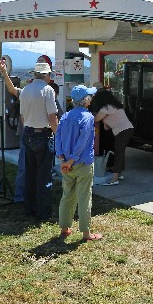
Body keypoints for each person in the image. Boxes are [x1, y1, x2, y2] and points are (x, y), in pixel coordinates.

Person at [55, 85, 102, 242]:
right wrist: (72, 159)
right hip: (82, 163)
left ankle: (64, 228)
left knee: (67, 195)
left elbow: (58, 138)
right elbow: (82, 142)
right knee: (84, 197)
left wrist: (62, 159)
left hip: (66, 164)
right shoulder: (88, 117)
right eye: (89, 96)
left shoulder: (65, 116)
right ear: (85, 100)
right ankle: (86, 234)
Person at [19, 62, 58, 220]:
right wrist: (59, 135)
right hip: (43, 133)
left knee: (30, 173)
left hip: (27, 132)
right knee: (44, 175)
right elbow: (52, 116)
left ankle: (29, 208)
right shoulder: (47, 90)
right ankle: (43, 212)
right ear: (47, 75)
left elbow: (22, 117)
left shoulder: (25, 90)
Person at [0, 58, 26, 202]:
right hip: (40, 135)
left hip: (25, 134)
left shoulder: (26, 92)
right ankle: (36, 197)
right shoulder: (48, 94)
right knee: (39, 169)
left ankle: (20, 197)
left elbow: (11, 90)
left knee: (23, 167)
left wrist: (4, 72)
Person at [94, 89, 134, 185]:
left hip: (122, 131)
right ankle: (119, 174)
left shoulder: (106, 107)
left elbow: (96, 119)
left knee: (118, 153)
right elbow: (107, 127)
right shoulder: (115, 106)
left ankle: (114, 179)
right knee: (120, 151)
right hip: (127, 130)